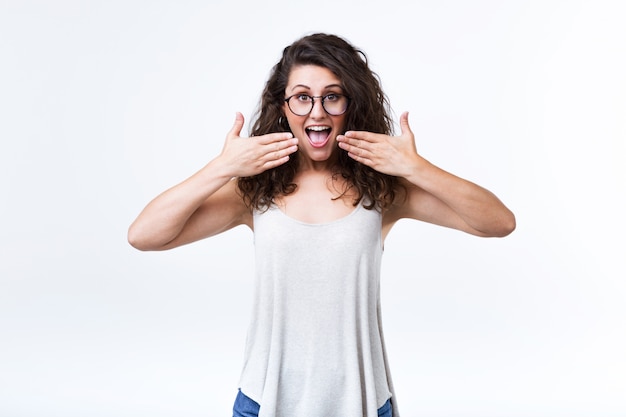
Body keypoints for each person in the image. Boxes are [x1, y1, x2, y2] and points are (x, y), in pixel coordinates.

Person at [128, 33, 515, 417]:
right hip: (265, 401)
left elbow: (498, 222)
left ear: (350, 104)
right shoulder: (255, 190)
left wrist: (417, 168)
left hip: (363, 402)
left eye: (332, 96)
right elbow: (144, 236)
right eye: (302, 97)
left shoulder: (381, 190)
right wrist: (221, 168)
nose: (317, 112)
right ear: (283, 106)